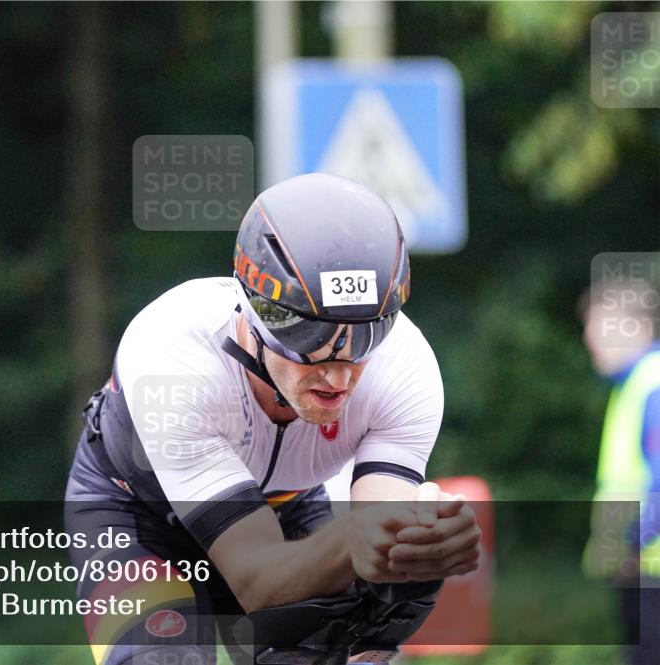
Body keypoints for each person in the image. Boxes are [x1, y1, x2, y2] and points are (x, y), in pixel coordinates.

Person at [65, 173, 482, 665]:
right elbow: (257, 578)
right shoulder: (173, 356)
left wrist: (416, 545)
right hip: (140, 515)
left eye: (367, 336)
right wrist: (358, 537)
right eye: (312, 336)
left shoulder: (405, 366)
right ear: (255, 314)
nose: (338, 372)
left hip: (287, 508)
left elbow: (377, 531)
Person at [581, 275, 660, 665]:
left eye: (600, 326)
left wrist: (633, 543)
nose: (591, 339)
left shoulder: (653, 382)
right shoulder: (633, 384)